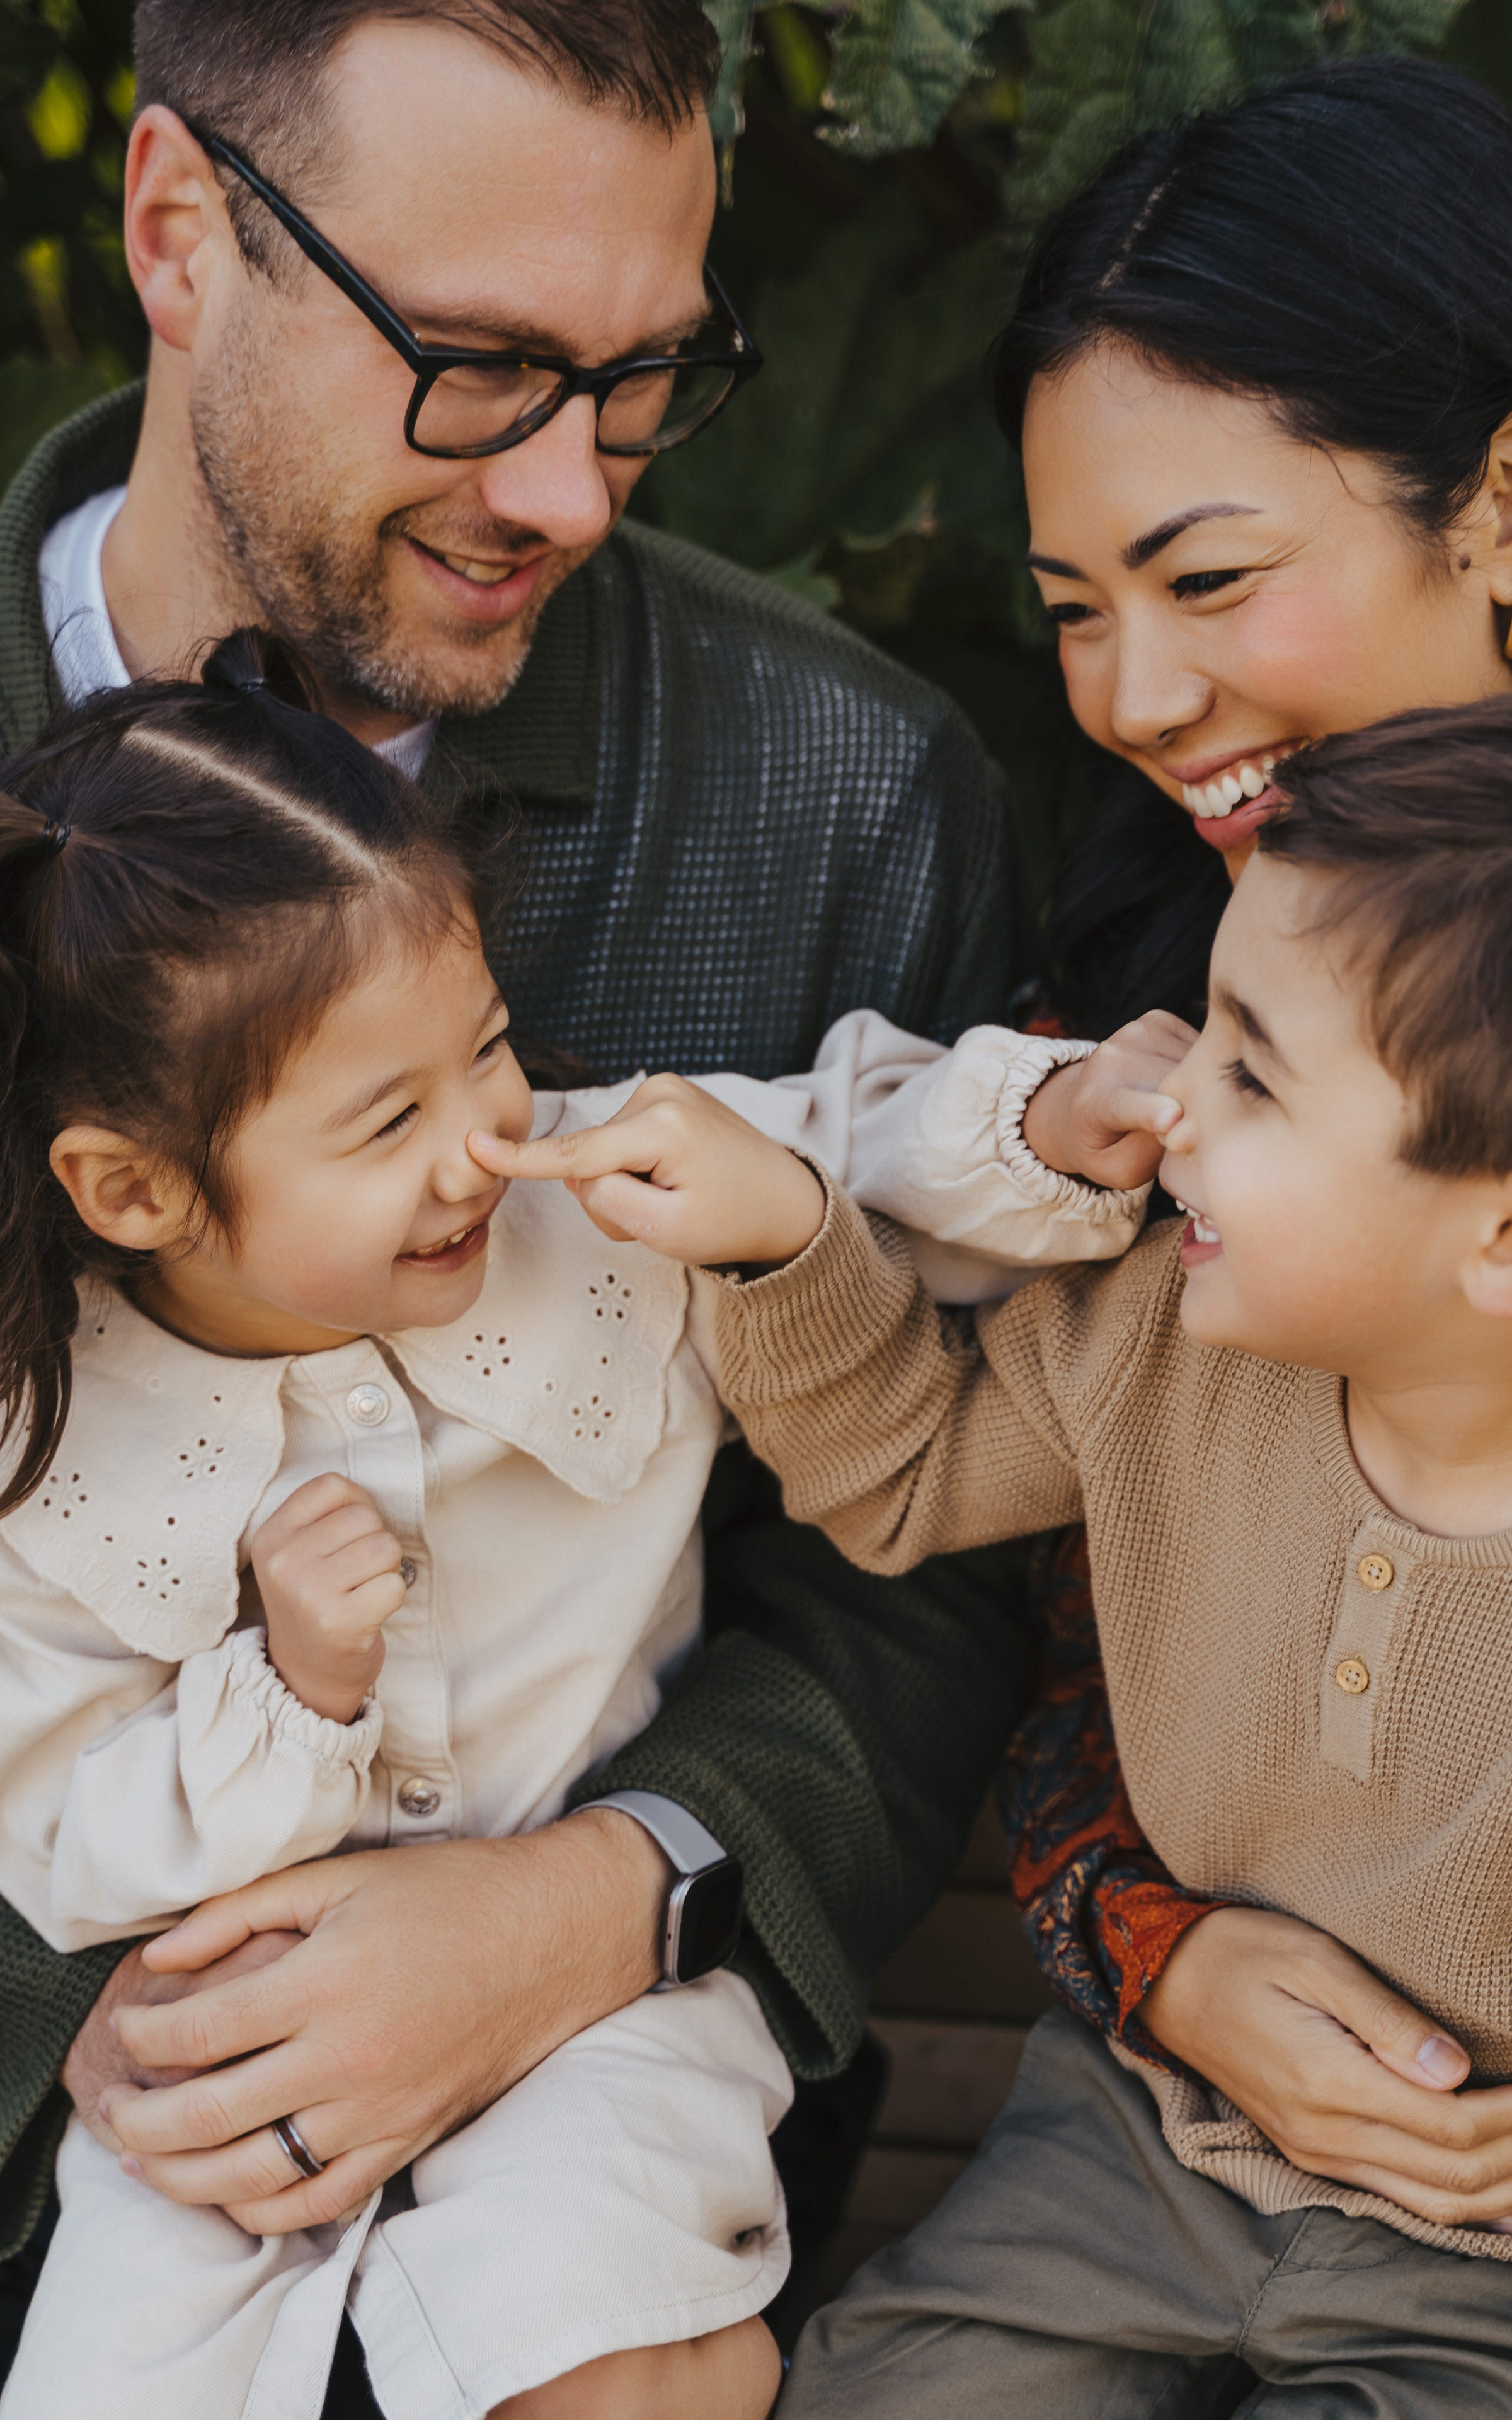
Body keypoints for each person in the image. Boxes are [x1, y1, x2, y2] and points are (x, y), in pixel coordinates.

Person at [0, 0, 1031, 2334]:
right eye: (475, 363)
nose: (576, 490)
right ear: (180, 233)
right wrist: (123, 2029)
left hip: (616, 2116)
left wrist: (611, 1895)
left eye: (647, 374)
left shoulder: (860, 796)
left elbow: (925, 1561)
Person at [0, 637, 1132, 2420]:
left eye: (490, 1046)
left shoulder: (589, 1210)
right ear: (135, 1187)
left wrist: (1051, 1122)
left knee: (625, 2338)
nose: (488, 1138)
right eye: (391, 1117)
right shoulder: (49, 1451)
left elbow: (859, 1132)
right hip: (234, 2064)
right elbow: (67, 1841)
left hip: (612, 1994)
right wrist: (292, 1697)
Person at [517, 689, 1512, 2414]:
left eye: (1253, 1069)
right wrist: (793, 1236)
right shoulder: (1168, 1343)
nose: (1177, 1102)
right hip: (1146, 2144)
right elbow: (908, 1468)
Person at [974, 49, 1512, 2231]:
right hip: (1160, 2169)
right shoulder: (1141, 1040)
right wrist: (1161, 1959)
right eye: (1074, 606)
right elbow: (1064, 1633)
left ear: (1508, 509)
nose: (1137, 696)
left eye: (1209, 576)